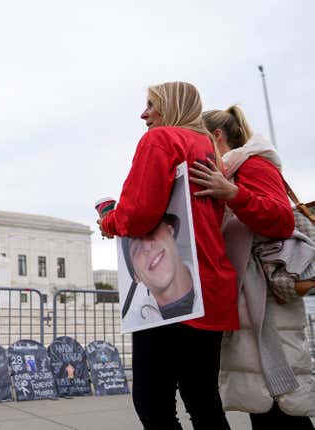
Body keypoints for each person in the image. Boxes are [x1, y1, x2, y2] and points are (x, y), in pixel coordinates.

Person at [98, 82, 238, 429]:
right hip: (211, 284)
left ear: (172, 107)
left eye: (151, 105)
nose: (144, 114)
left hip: (173, 297)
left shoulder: (160, 140)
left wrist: (109, 220)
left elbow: (140, 214)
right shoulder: (208, 148)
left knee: (152, 401)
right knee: (202, 398)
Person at [189, 105, 314, 429]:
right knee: (262, 398)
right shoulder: (230, 170)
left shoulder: (253, 164)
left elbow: (281, 219)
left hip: (267, 295)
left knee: (281, 399)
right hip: (250, 292)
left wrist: (233, 193)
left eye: (200, 139)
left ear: (216, 136)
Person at [122, 213, 196, 322]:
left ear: (170, 231)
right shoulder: (133, 323)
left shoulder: (215, 281)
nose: (147, 246)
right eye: (136, 248)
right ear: (136, 276)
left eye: (152, 229)